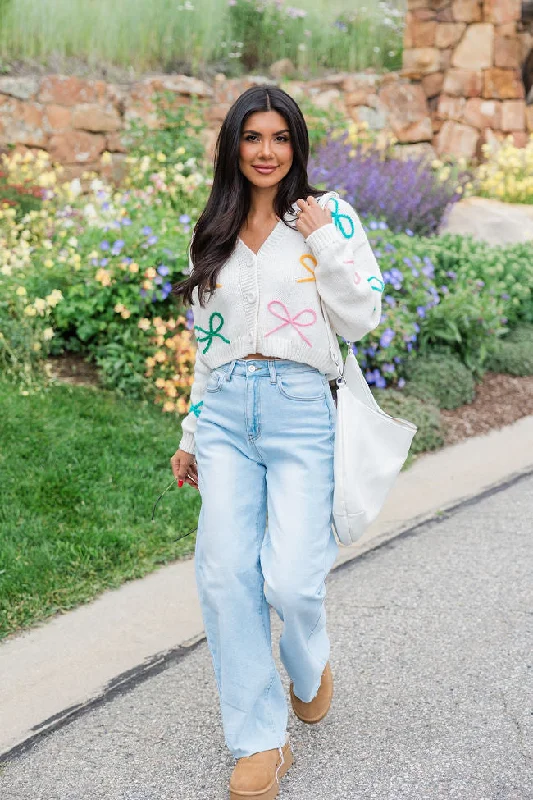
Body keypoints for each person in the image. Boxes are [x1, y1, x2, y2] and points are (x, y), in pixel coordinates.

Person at [171, 84, 383, 800]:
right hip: (228, 414)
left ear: (297, 144)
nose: (266, 152)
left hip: (300, 411)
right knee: (225, 575)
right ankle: (259, 741)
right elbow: (208, 345)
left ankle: (308, 657)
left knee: (290, 579)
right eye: (252, 137)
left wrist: (322, 235)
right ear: (234, 145)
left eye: (279, 138)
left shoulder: (330, 217)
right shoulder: (215, 228)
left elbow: (359, 317)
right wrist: (192, 434)